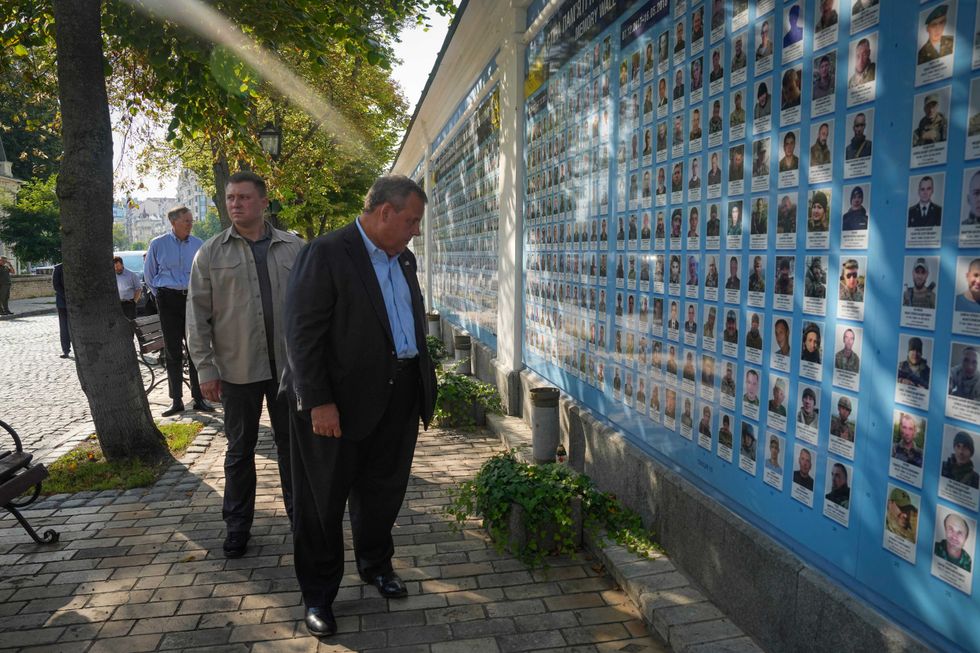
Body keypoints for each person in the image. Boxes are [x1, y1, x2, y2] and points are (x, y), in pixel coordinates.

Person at [281, 175, 437, 638]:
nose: (415, 230)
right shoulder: (327, 253)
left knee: (383, 492)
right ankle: (319, 596)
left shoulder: (402, 259)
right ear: (384, 212)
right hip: (336, 407)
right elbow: (301, 335)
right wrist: (320, 402)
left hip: (398, 398)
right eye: (411, 220)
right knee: (321, 503)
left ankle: (376, 564)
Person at [186, 171, 304, 558]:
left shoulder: (295, 249)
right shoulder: (211, 253)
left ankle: (302, 520)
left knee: (294, 449)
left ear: (264, 201)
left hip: (289, 371)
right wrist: (206, 370)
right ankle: (237, 526)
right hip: (237, 371)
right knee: (239, 451)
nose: (235, 204)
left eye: (244, 197)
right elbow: (197, 316)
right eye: (230, 198)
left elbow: (315, 311)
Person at [144, 206, 213, 416]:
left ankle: (199, 397)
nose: (190, 224)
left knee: (195, 348)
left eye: (191, 221)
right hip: (168, 300)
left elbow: (206, 273)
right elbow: (149, 275)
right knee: (173, 351)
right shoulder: (158, 244)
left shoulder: (198, 244)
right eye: (187, 221)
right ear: (173, 222)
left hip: (192, 299)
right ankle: (176, 400)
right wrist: (162, 296)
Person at [113, 256, 142, 320]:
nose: (116, 268)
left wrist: (134, 302)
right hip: (117, 304)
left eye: (118, 266)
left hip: (129, 304)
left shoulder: (131, 275)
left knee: (131, 325)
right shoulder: (113, 275)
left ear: (122, 264)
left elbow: (138, 289)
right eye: (114, 266)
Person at [52, 262, 70, 358]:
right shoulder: (58, 268)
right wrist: (67, 297)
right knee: (64, 327)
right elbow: (56, 285)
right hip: (63, 303)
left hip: (77, 303)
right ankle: (65, 350)